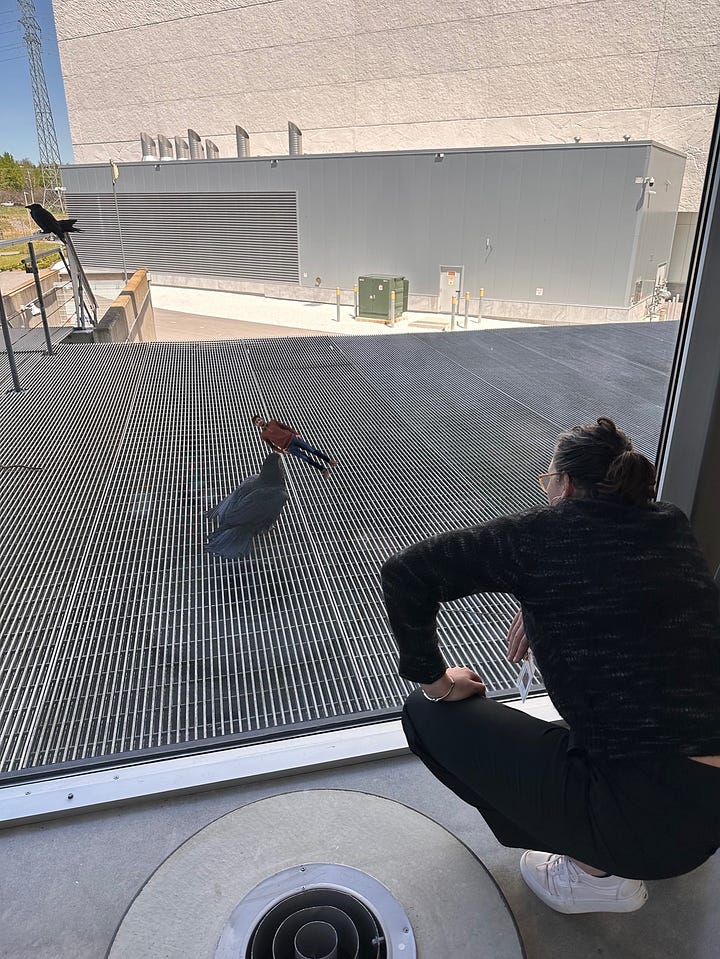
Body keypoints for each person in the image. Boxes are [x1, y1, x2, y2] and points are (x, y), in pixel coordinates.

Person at [381, 416, 720, 915]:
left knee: (425, 714)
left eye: (547, 482)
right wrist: (544, 602)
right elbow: (632, 602)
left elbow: (406, 573)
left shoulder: (539, 536)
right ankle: (609, 842)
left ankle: (596, 873)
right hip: (707, 802)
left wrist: (438, 682)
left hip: (645, 824)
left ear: (562, 484)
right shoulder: (667, 523)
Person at [251, 415, 338, 478]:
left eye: (259, 419)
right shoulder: (263, 435)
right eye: (257, 422)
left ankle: (329, 461)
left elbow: (286, 427)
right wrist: (282, 451)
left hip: (293, 439)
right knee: (306, 459)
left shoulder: (273, 422)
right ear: (256, 425)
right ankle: (323, 470)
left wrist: (296, 434)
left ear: (262, 418)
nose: (259, 422)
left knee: (312, 450)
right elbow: (272, 447)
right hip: (289, 447)